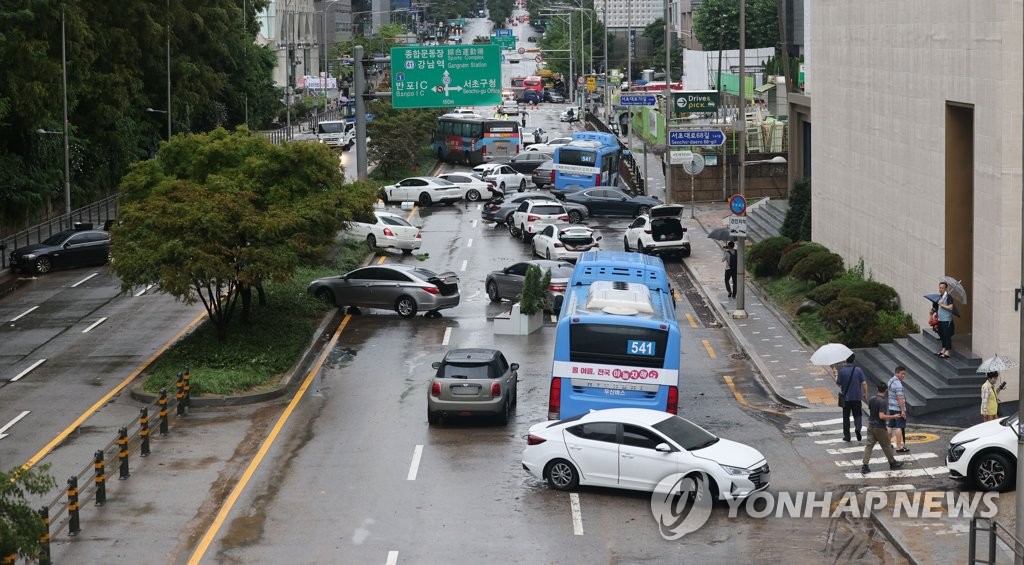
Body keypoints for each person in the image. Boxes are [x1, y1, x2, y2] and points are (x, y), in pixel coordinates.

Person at [861, 382, 907, 474]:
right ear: (886, 391)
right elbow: (881, 416)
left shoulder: (872, 399)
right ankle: (892, 463)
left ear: (877, 389)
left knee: (869, 446)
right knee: (886, 446)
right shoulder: (882, 402)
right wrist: (893, 416)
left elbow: (872, 411)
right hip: (880, 427)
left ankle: (865, 466)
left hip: (871, 426)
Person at [836, 354, 868, 442]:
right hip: (857, 397)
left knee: (846, 417)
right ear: (854, 360)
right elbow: (864, 383)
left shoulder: (842, 371)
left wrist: (836, 374)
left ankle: (847, 436)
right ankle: (858, 428)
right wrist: (865, 393)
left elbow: (839, 384)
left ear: (846, 360)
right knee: (858, 415)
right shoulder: (858, 370)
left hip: (846, 399)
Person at [887, 366, 909, 453]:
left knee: (890, 426)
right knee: (899, 427)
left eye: (904, 374)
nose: (903, 376)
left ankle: (888, 444)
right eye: (902, 374)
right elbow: (900, 398)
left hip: (891, 407)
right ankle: (899, 446)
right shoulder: (898, 384)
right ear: (897, 373)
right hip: (897, 408)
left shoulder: (891, 380)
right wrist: (902, 410)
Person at [935, 281, 955, 358]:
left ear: (946, 288)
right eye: (940, 288)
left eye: (942, 288)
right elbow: (938, 307)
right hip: (940, 319)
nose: (941, 289)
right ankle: (943, 348)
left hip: (946, 320)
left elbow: (950, 307)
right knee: (942, 335)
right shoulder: (941, 296)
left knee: (947, 335)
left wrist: (942, 305)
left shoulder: (948, 297)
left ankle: (948, 351)